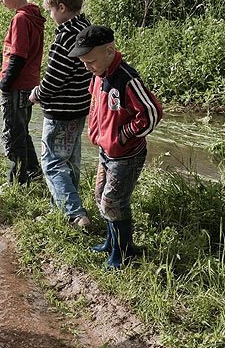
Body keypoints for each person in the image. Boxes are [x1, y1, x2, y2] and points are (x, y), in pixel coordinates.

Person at [69, 25, 163, 269]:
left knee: (113, 201)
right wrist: (97, 132)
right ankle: (112, 243)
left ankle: (124, 253)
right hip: (106, 151)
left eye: (90, 61)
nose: (87, 66)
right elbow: (95, 105)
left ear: (110, 51)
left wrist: (123, 135)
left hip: (126, 155)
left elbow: (151, 113)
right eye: (83, 62)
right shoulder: (99, 77)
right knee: (101, 196)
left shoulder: (126, 79)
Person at [28, 0, 93, 229]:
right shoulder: (86, 29)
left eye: (51, 10)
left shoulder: (66, 36)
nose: (51, 15)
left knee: (52, 162)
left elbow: (54, 77)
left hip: (60, 110)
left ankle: (74, 213)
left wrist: (38, 94)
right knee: (71, 160)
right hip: (79, 106)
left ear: (62, 8)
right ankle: (64, 207)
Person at [0, 0, 46, 193]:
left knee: (14, 133)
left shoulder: (21, 19)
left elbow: (18, 55)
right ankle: (33, 170)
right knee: (22, 129)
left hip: (17, 85)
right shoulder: (33, 16)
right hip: (29, 83)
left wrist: (5, 82)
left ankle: (16, 181)